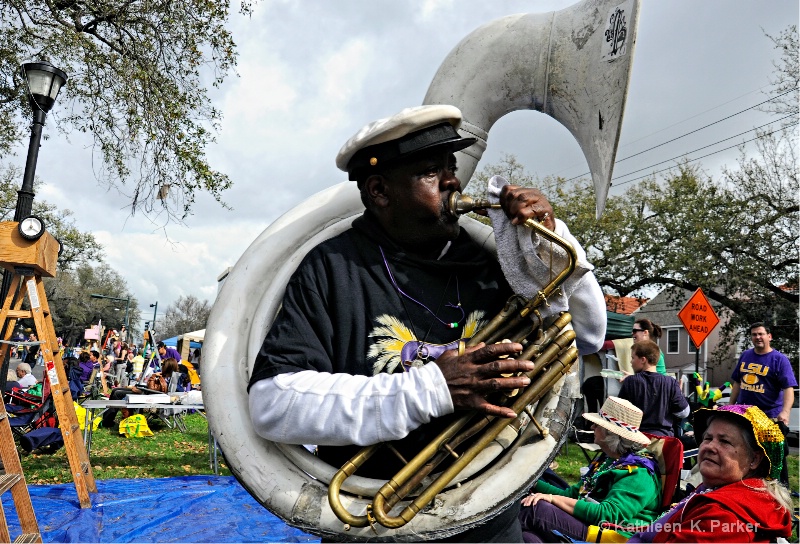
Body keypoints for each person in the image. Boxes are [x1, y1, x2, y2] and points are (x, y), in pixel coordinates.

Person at [247, 105, 606, 541]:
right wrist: (431, 389)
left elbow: (586, 336)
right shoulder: (330, 267)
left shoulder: (496, 257)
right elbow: (273, 403)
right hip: (378, 528)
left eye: (452, 167)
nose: (454, 181)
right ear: (380, 191)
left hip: (491, 521)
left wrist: (549, 243)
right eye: (432, 171)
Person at [628, 404, 792, 542]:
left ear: (754, 460)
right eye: (707, 438)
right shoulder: (718, 489)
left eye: (724, 441)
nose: (709, 447)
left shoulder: (723, 516)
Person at [519, 396, 662, 542]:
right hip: (594, 527)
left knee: (537, 511)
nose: (592, 427)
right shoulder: (609, 461)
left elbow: (607, 515)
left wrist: (552, 498)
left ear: (611, 434)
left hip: (615, 536)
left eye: (597, 425)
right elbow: (573, 494)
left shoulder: (638, 474)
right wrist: (530, 484)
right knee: (528, 537)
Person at [729, 322, 796, 486]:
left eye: (761, 334)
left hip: (769, 417)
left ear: (769, 336)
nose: (757, 337)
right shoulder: (745, 356)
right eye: (754, 334)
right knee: (747, 453)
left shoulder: (779, 360)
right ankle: (749, 485)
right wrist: (730, 405)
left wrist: (785, 412)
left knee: (774, 457)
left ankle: (780, 489)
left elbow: (789, 388)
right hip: (745, 415)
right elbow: (737, 383)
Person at [618, 340, 689, 436]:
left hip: (637, 439)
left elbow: (619, 412)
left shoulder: (631, 381)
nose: (631, 362)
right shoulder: (671, 382)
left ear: (643, 360)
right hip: (663, 441)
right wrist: (679, 395)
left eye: (633, 358)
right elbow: (684, 412)